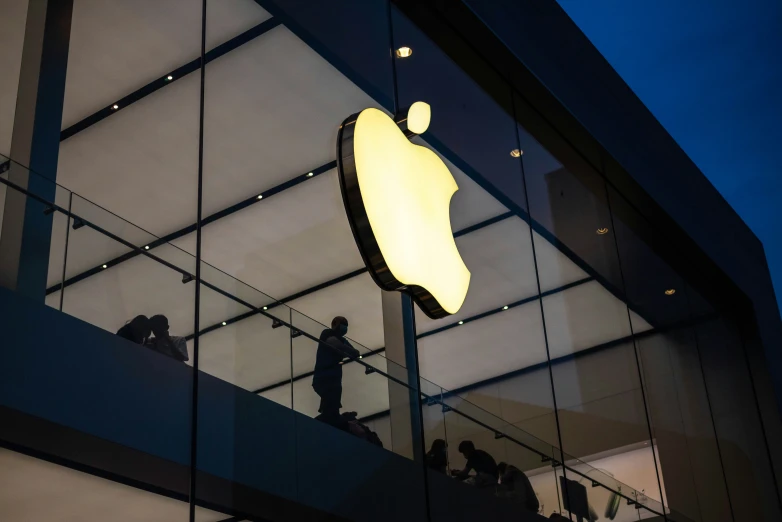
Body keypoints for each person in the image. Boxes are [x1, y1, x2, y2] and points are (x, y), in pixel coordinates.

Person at [312, 316, 360, 422]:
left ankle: (331, 420)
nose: (344, 327)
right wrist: (346, 350)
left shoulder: (343, 340)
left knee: (332, 405)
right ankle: (323, 422)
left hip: (335, 379)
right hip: (324, 377)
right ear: (335, 324)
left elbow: (356, 353)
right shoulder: (327, 333)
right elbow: (335, 344)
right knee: (330, 404)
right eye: (342, 324)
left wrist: (346, 349)